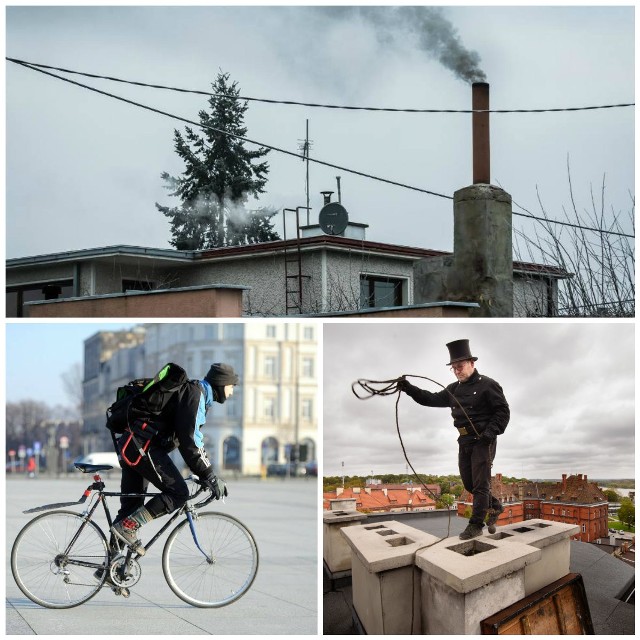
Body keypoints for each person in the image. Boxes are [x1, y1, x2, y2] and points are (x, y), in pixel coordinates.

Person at [111, 362, 238, 555]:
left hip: (133, 445)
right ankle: (127, 528)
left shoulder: (194, 394)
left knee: (131, 509)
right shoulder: (196, 396)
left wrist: (203, 473)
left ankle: (110, 567)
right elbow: (191, 442)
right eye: (231, 386)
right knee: (179, 493)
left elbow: (186, 441)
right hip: (142, 447)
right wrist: (209, 475)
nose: (232, 392)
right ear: (221, 384)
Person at [397, 339, 509, 540]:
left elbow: (503, 412)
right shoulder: (453, 390)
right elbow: (429, 399)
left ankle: (476, 525)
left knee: (481, 484)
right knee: (468, 484)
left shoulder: (488, 385)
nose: (457, 371)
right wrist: (408, 388)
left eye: (461, 366)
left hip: (483, 440)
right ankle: (494, 505)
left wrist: (489, 434)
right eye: (454, 368)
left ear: (472, 364)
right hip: (464, 441)